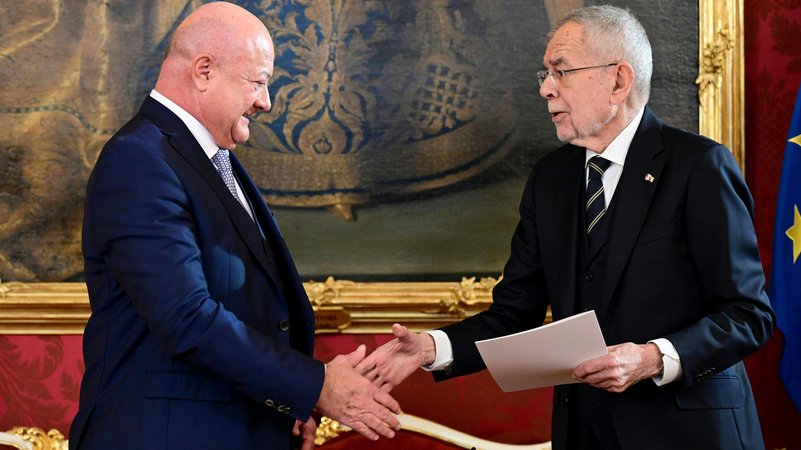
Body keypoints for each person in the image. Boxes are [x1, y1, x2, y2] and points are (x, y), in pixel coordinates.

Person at [358, 5, 774, 450]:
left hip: (691, 435)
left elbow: (748, 315)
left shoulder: (699, 166)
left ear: (618, 81)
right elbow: (514, 313)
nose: (545, 89)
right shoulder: (550, 180)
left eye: (561, 71)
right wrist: (431, 347)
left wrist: (653, 358)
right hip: (584, 434)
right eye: (545, 74)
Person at [68, 2, 401, 449]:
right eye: (257, 83)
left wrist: (290, 400)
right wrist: (316, 384)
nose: (265, 102)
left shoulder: (209, 156)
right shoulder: (139, 161)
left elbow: (247, 305)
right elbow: (186, 318)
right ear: (204, 70)